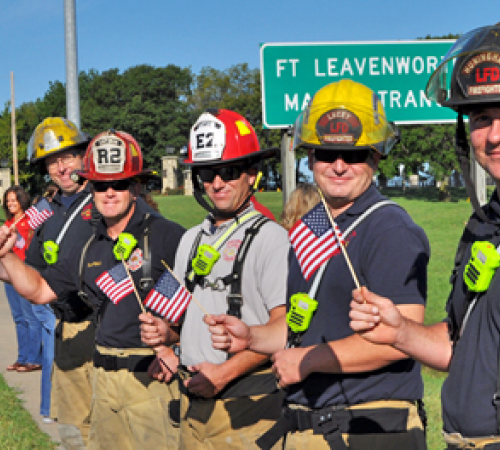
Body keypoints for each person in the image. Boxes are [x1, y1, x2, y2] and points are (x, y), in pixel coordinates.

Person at [206, 80, 429, 450]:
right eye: (325, 153)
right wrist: (252, 337)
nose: (338, 166)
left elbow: (404, 339)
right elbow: (302, 328)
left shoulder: (389, 227)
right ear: (309, 158)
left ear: (375, 157)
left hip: (368, 427)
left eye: (354, 155)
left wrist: (309, 362)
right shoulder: (313, 226)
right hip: (310, 427)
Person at [349, 23, 500, 450]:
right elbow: (460, 344)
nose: (493, 136)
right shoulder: (484, 226)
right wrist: (399, 331)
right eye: (481, 118)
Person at [0, 129, 185, 449]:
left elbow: (200, 304)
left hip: (151, 381)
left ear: (136, 185)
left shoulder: (167, 235)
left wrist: (173, 339)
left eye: (119, 183)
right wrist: (7, 258)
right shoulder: (90, 246)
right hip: (103, 380)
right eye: (101, 184)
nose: (109, 192)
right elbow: (41, 290)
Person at [140, 108, 289, 449]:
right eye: (207, 173)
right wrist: (168, 336)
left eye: (229, 171)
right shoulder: (191, 238)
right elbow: (184, 315)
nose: (217, 183)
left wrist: (225, 374)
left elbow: (285, 329)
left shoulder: (272, 239)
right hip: (192, 403)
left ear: (252, 174)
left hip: (247, 408)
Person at [25, 117, 96, 447]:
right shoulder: (44, 210)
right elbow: (33, 268)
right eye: (52, 161)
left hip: (108, 330)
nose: (61, 167)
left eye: (67, 156)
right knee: (72, 429)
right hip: (67, 329)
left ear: (83, 155)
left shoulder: (105, 199)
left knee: (113, 427)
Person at [3, 185, 42, 375]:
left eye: (14, 200)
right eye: (8, 200)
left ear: (21, 201)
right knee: (19, 318)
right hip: (9, 275)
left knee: (30, 317)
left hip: (25, 272)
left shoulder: (30, 221)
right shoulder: (7, 223)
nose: (11, 203)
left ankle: (34, 359)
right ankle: (23, 357)